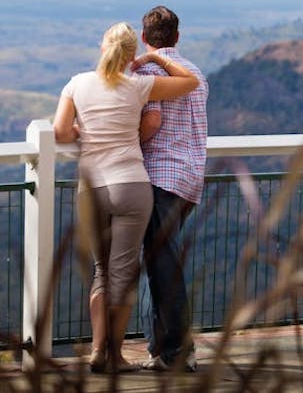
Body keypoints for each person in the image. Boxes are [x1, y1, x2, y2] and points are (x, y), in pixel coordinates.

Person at [52, 21, 199, 373]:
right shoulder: (139, 85)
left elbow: (59, 132)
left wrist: (80, 130)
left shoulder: (77, 84)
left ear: (103, 48)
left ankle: (97, 351)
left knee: (101, 273)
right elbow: (191, 82)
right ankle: (115, 355)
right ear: (132, 54)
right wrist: (159, 59)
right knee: (124, 274)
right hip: (131, 186)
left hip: (92, 188)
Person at [134, 6, 209, 372]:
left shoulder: (149, 71)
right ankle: (159, 348)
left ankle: (178, 352)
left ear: (145, 37)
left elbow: (153, 121)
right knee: (159, 261)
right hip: (190, 178)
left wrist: (128, 141)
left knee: (163, 266)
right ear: (177, 36)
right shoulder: (194, 72)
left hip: (160, 176)